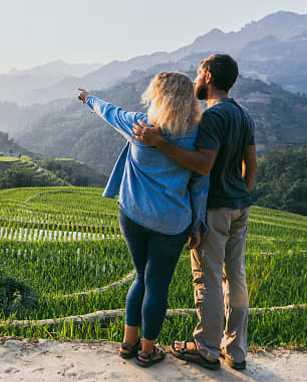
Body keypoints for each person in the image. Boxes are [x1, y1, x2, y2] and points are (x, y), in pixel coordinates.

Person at [133, 54, 257, 371]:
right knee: (236, 276)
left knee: (209, 278)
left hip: (216, 207)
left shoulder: (213, 117)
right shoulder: (243, 116)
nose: (196, 80)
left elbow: (203, 164)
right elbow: (251, 163)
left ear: (208, 75)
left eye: (199, 73)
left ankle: (206, 348)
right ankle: (237, 350)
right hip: (240, 206)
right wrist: (242, 191)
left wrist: (160, 143)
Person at [77, 71, 209, 368]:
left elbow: (108, 112)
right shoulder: (196, 135)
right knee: (157, 284)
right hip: (171, 222)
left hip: (133, 215)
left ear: (157, 96)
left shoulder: (139, 124)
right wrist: (198, 223)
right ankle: (148, 350)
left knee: (140, 277)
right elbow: (201, 183)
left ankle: (128, 343)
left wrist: (88, 98)